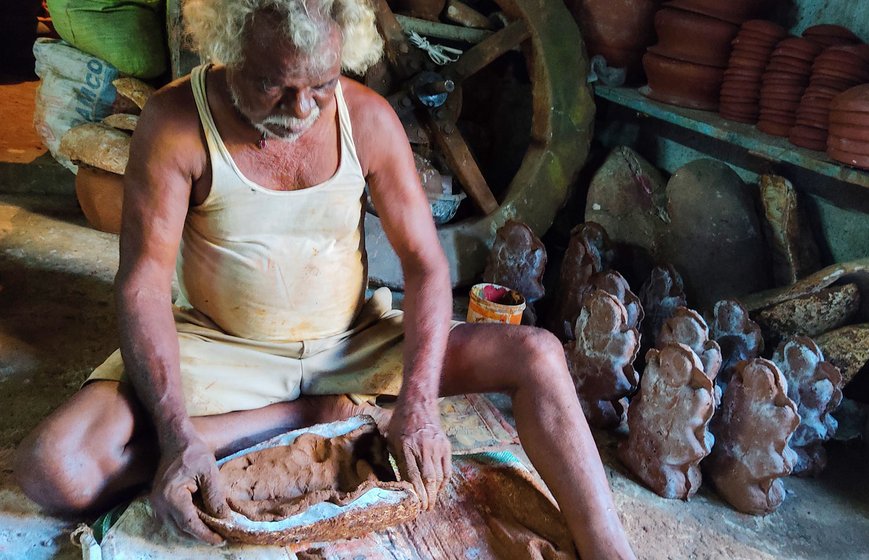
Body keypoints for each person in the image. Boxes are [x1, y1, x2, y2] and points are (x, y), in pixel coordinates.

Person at [15, 0, 636, 557]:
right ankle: (309, 413)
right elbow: (143, 286)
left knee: (538, 354)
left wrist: (418, 404)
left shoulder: (366, 120)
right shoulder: (176, 123)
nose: (301, 109)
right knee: (54, 467)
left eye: (320, 85)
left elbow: (425, 267)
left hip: (353, 343)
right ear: (227, 51)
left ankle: (609, 549)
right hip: (223, 349)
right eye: (272, 86)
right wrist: (176, 434)